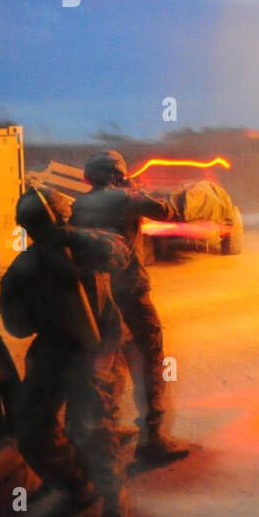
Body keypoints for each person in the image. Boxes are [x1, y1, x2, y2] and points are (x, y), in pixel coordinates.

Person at [0, 188, 133, 517]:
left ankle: (114, 504)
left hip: (99, 345)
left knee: (93, 427)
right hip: (54, 349)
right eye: (32, 226)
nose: (37, 231)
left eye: (41, 223)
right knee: (31, 429)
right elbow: (17, 326)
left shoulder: (86, 245)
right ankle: (78, 485)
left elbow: (120, 254)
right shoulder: (25, 266)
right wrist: (23, 292)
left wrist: (73, 238)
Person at [69, 151, 190, 466]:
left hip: (96, 293)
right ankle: (152, 439)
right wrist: (134, 189)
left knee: (109, 361)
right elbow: (168, 210)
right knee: (149, 357)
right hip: (129, 291)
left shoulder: (80, 204)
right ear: (116, 174)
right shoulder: (124, 198)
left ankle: (106, 430)